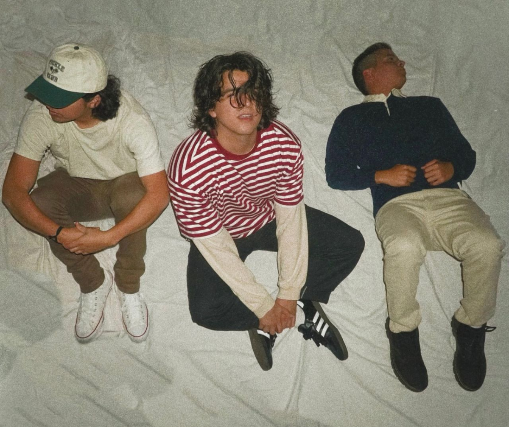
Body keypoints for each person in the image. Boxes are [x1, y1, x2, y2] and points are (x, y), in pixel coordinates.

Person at [168, 52, 364, 370]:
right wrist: (264, 307)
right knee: (205, 311)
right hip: (220, 232)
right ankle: (265, 323)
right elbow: (213, 245)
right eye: (232, 95)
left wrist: (289, 294)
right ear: (211, 107)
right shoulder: (187, 167)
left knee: (349, 243)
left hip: (266, 217)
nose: (246, 102)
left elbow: (290, 219)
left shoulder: (284, 144)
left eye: (253, 92)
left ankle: (306, 303)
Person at [325, 42, 504, 392]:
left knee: (488, 245)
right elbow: (336, 174)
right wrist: (381, 176)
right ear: (369, 73)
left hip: (450, 200)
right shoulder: (351, 118)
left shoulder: (430, 107)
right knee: (404, 247)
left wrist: (452, 167)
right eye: (392, 59)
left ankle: (471, 326)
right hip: (397, 206)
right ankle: (403, 332)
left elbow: (465, 155)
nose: (402, 62)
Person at [2, 43, 169, 344]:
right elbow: (13, 192)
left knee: (135, 198)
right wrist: (58, 233)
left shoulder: (132, 121)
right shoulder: (43, 114)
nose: (49, 104)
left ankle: (128, 285)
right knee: (40, 202)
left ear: (93, 100)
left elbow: (159, 195)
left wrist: (109, 237)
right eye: (47, 92)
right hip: (76, 181)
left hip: (122, 182)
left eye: (60, 99)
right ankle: (93, 282)